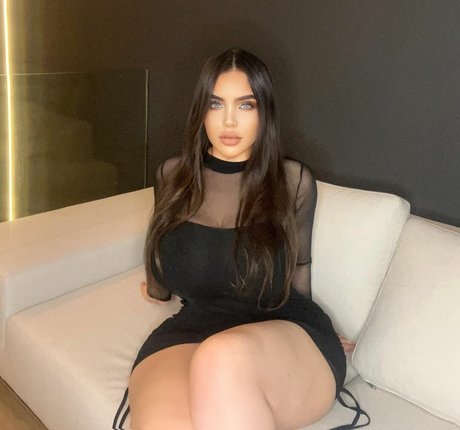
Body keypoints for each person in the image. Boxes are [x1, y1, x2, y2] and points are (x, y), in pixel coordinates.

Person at [113, 47, 369, 430]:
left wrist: (319, 323)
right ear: (201, 111)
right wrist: (156, 290)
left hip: (280, 324)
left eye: (246, 105)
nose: (229, 120)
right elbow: (160, 250)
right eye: (216, 104)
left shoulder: (292, 181)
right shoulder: (172, 176)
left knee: (221, 356)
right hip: (192, 327)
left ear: (265, 113)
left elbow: (299, 266)